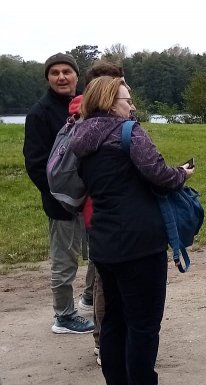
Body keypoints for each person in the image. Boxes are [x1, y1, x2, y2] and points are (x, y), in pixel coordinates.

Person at [70, 76, 193, 384]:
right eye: (127, 101)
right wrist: (182, 173)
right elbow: (159, 174)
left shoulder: (80, 136)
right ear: (111, 103)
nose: (133, 106)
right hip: (140, 243)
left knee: (114, 319)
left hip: (104, 241)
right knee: (144, 324)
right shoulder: (128, 132)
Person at [23, 52, 95, 334]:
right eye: (55, 73)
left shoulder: (88, 104)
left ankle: (90, 297)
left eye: (67, 71)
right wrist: (62, 196)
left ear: (77, 76)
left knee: (100, 253)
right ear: (48, 78)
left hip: (93, 198)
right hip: (62, 204)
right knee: (65, 262)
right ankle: (63, 316)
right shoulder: (39, 114)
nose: (62, 77)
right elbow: (35, 164)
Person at [68, 60, 127, 366]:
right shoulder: (91, 118)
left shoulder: (85, 118)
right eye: (115, 86)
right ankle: (104, 341)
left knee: (106, 277)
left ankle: (112, 339)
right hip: (104, 211)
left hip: (103, 211)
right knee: (106, 281)